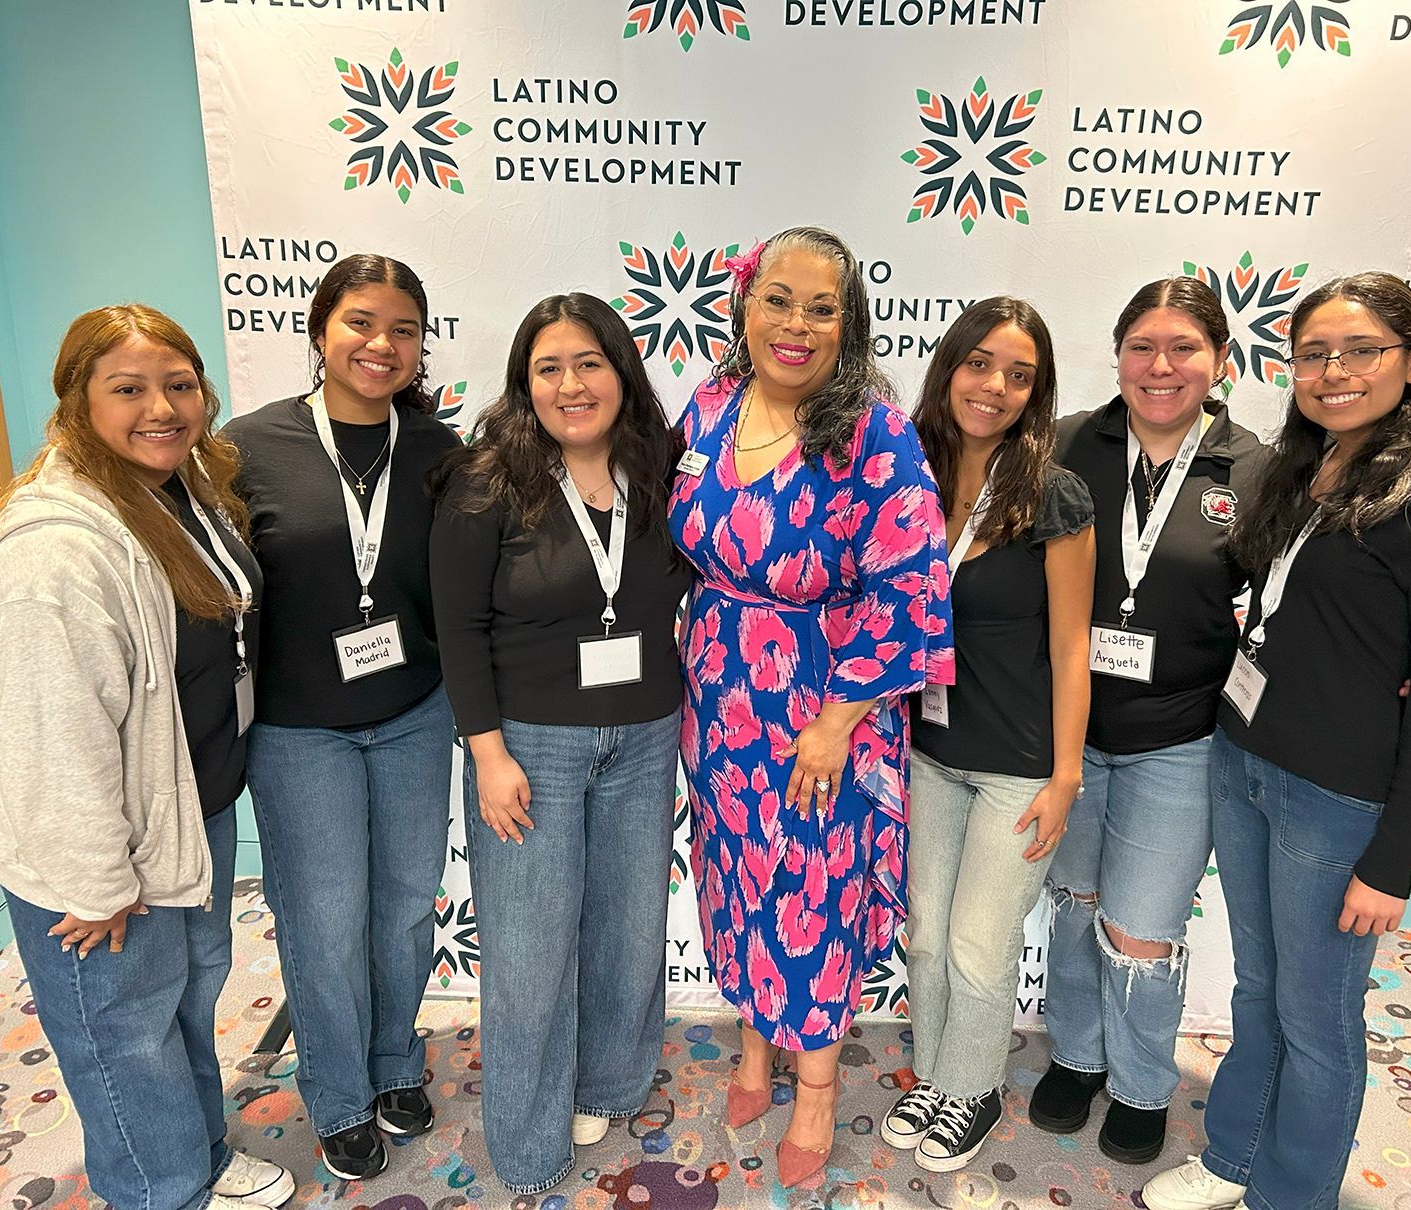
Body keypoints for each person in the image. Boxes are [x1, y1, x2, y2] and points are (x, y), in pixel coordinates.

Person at [1143, 273, 1411, 1210]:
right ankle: (1233, 1161)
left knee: (1316, 1016)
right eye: (1312, 354)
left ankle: (1289, 1194)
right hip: (1244, 760)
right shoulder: (1305, 465)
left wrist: (1392, 863)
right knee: (1257, 991)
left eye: (1360, 351)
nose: (1333, 371)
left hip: (1334, 796)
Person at [0, 305, 293, 1210]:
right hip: (103, 851)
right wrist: (93, 879)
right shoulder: (56, 553)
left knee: (185, 999)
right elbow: (49, 737)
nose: (161, 407)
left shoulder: (179, 488)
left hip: (187, 805)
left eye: (177, 385)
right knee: (122, 1029)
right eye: (128, 389)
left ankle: (194, 1152)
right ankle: (159, 1189)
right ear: (78, 402)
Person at [668, 225, 955, 1190]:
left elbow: (911, 587)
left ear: (850, 324)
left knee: (812, 891)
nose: (795, 324)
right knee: (738, 872)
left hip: (819, 701)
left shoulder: (872, 429)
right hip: (715, 691)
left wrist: (837, 721)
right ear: (742, 306)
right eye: (776, 299)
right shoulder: (708, 405)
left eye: (820, 307)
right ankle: (756, 1049)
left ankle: (820, 1088)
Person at [427, 293, 689, 1195]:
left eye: (589, 364)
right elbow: (458, 629)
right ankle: (531, 1146)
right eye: (548, 368)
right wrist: (487, 754)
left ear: (621, 373)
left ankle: (612, 1086)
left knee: (626, 930)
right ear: (524, 383)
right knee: (531, 953)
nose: (571, 385)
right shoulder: (485, 482)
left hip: (648, 736)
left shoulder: (664, 467)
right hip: (531, 745)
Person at [224, 254, 462, 1180]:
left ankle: (396, 1061)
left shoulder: (439, 450)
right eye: (361, 322)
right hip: (298, 730)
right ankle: (337, 1093)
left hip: (411, 712)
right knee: (323, 919)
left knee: (404, 909)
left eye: (404, 329)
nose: (382, 344)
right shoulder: (245, 448)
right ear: (321, 330)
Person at [1040, 278, 1266, 1164]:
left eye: (1183, 349)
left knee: (1141, 926)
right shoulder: (1064, 448)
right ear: (1118, 355)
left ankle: (1138, 1083)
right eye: (1142, 347)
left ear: (1218, 361)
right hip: (1066, 733)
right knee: (1072, 903)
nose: (1161, 366)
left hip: (1178, 737)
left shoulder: (1253, 469)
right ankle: (1076, 1053)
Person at [880, 298, 1095, 1171]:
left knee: (977, 944)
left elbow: (1074, 646)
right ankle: (935, 1074)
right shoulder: (908, 473)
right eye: (979, 363)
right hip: (929, 754)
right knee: (926, 934)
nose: (995, 386)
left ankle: (972, 1088)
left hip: (1019, 766)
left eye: (1019, 374)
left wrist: (1066, 777)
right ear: (949, 367)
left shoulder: (1050, 490)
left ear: (1035, 392)